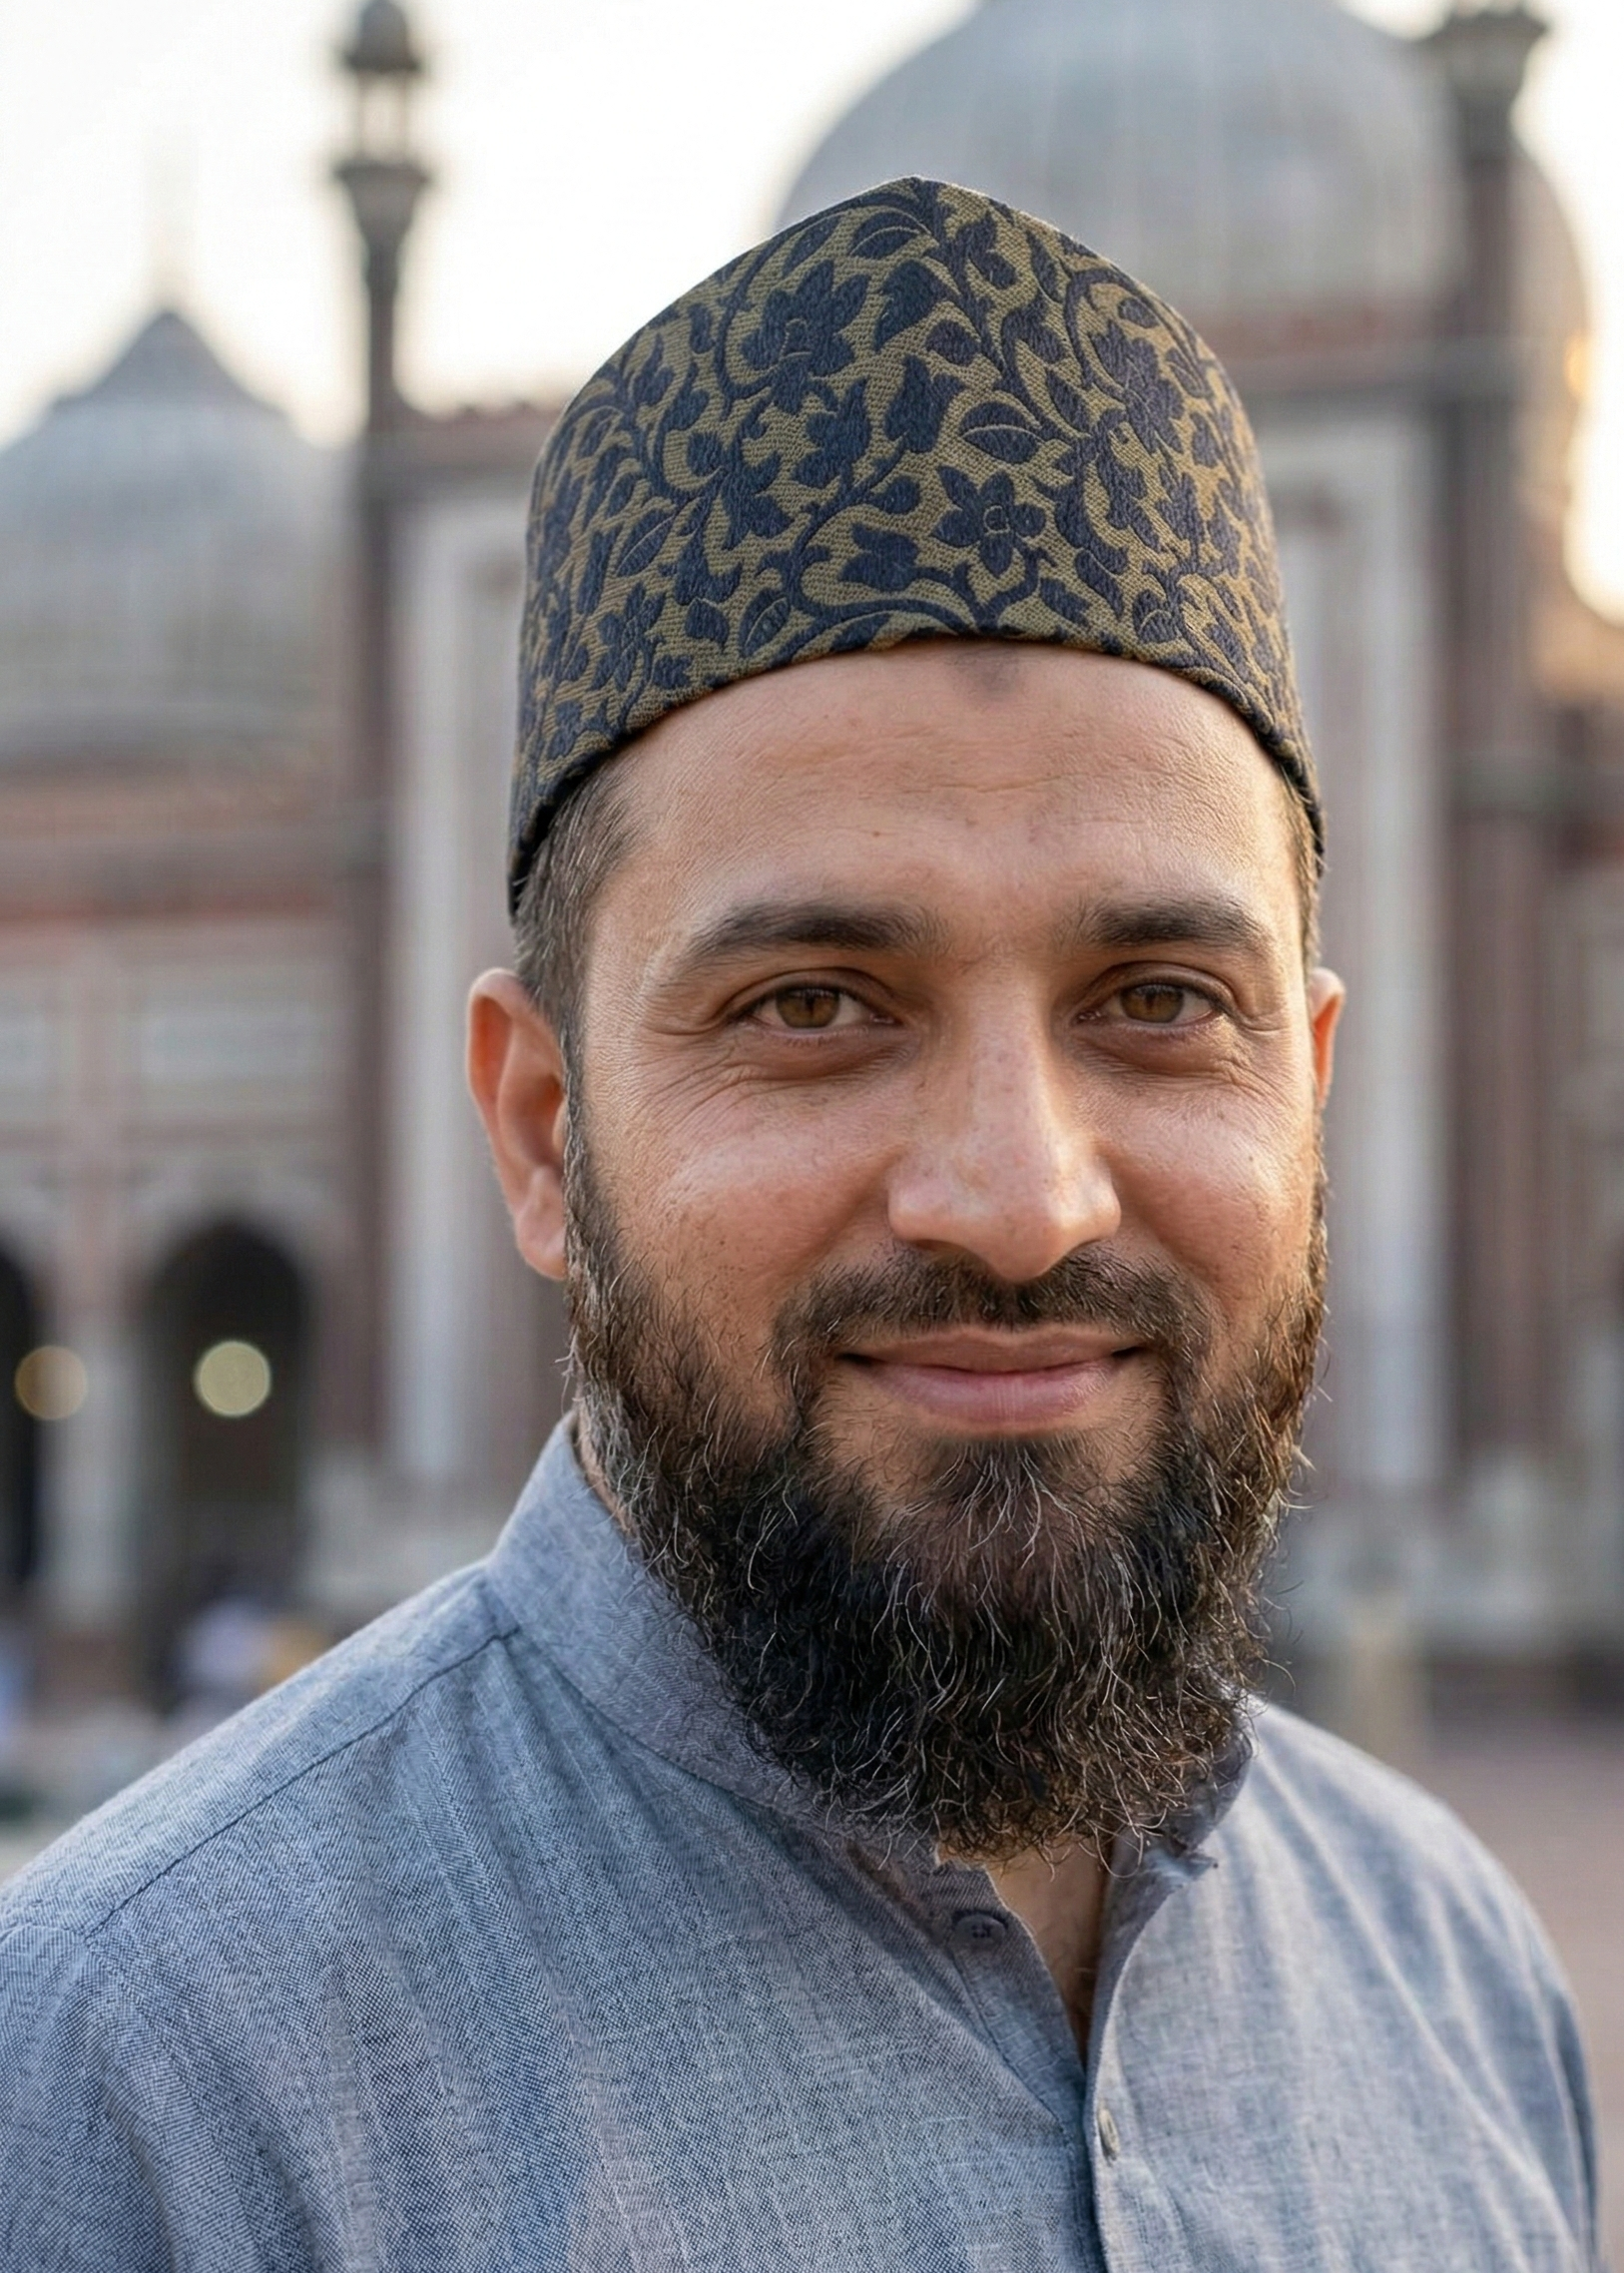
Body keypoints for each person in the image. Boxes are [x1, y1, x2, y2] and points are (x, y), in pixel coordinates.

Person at [0, 179, 1600, 2271]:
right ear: (545, 1123)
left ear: (1309, 1080)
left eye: (1158, 1002)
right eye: (813, 1006)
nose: (1020, 1199)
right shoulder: (144, 2091)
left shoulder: (1448, 1976)